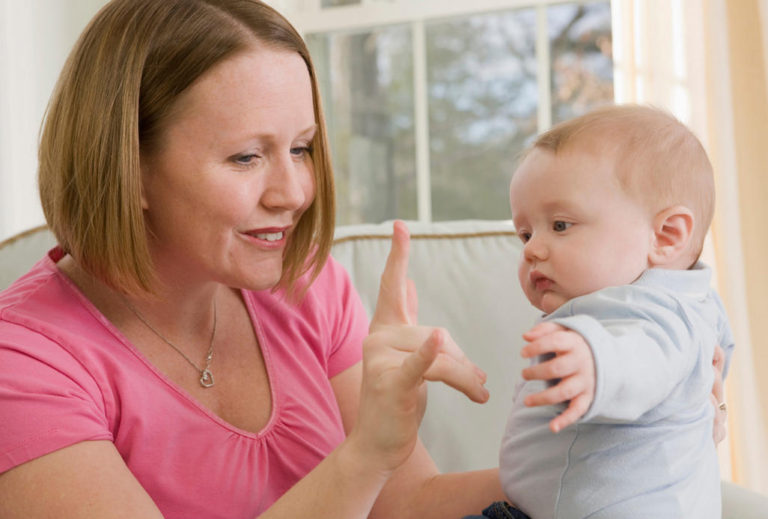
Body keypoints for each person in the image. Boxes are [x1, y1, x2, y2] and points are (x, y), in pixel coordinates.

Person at [0, 1, 503, 517]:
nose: (293, 194)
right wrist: (366, 456)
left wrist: (573, 460)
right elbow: (369, 471)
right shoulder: (21, 367)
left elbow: (409, 505)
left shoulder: (305, 283)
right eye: (247, 157)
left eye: (301, 149)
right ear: (130, 166)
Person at [489, 105, 734, 518]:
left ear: (665, 236)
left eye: (561, 225)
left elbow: (641, 356)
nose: (531, 248)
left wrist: (597, 361)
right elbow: (711, 358)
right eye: (525, 233)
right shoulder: (695, 305)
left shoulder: (655, 311)